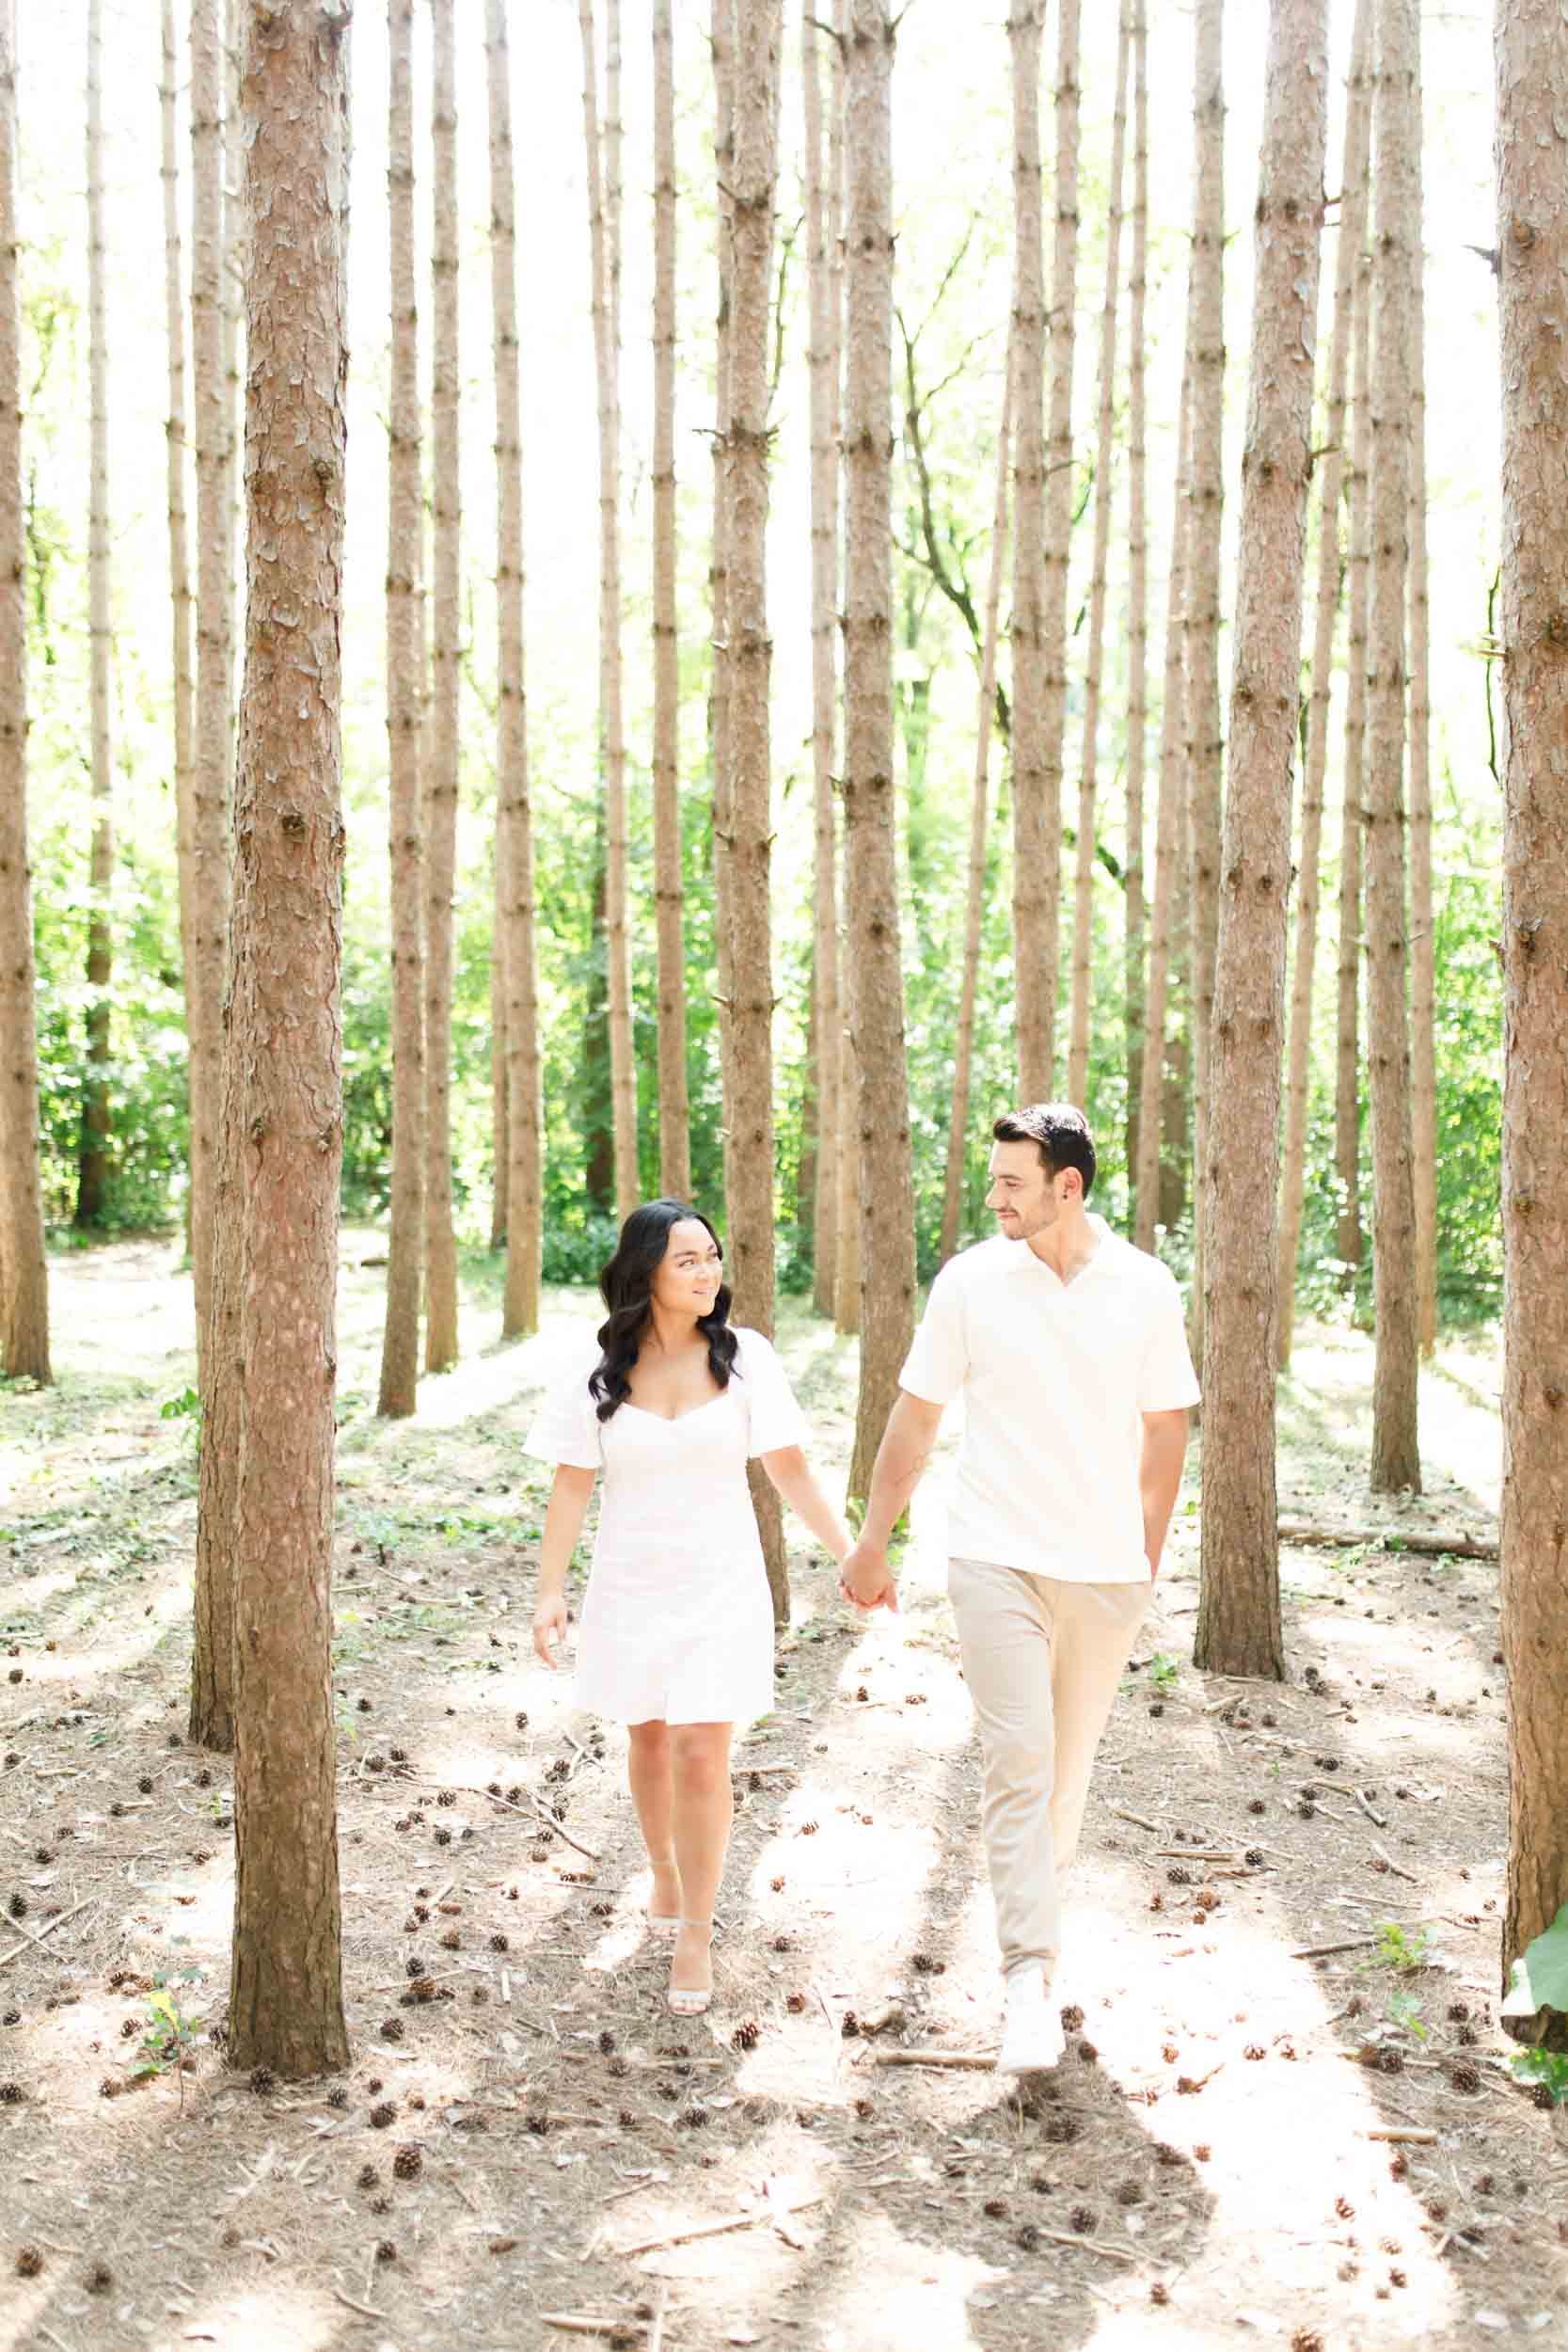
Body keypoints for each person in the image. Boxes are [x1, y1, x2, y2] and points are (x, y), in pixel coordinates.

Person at [840, 1104, 1198, 2072]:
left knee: (1063, 1776)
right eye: (992, 1179)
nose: (992, 1196)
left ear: (1066, 1187)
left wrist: (1143, 1556)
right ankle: (1026, 1980)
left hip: (1102, 1571)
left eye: (1010, 1182)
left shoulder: (1143, 1288)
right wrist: (873, 1541)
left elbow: (1166, 1432)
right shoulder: (969, 1283)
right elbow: (914, 1422)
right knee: (1017, 1760)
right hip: (990, 1553)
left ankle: (1034, 1953)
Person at [527, 1200, 852, 2015]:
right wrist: (548, 1592)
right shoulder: (596, 1368)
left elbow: (790, 1471)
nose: (708, 1272)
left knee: (704, 1753)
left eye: (712, 1256)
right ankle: (664, 1872)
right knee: (646, 1737)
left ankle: (696, 1931)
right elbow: (571, 1484)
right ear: (646, 1274)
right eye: (688, 1261)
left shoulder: (747, 1360)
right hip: (631, 1583)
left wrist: (853, 1556)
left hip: (722, 1585)